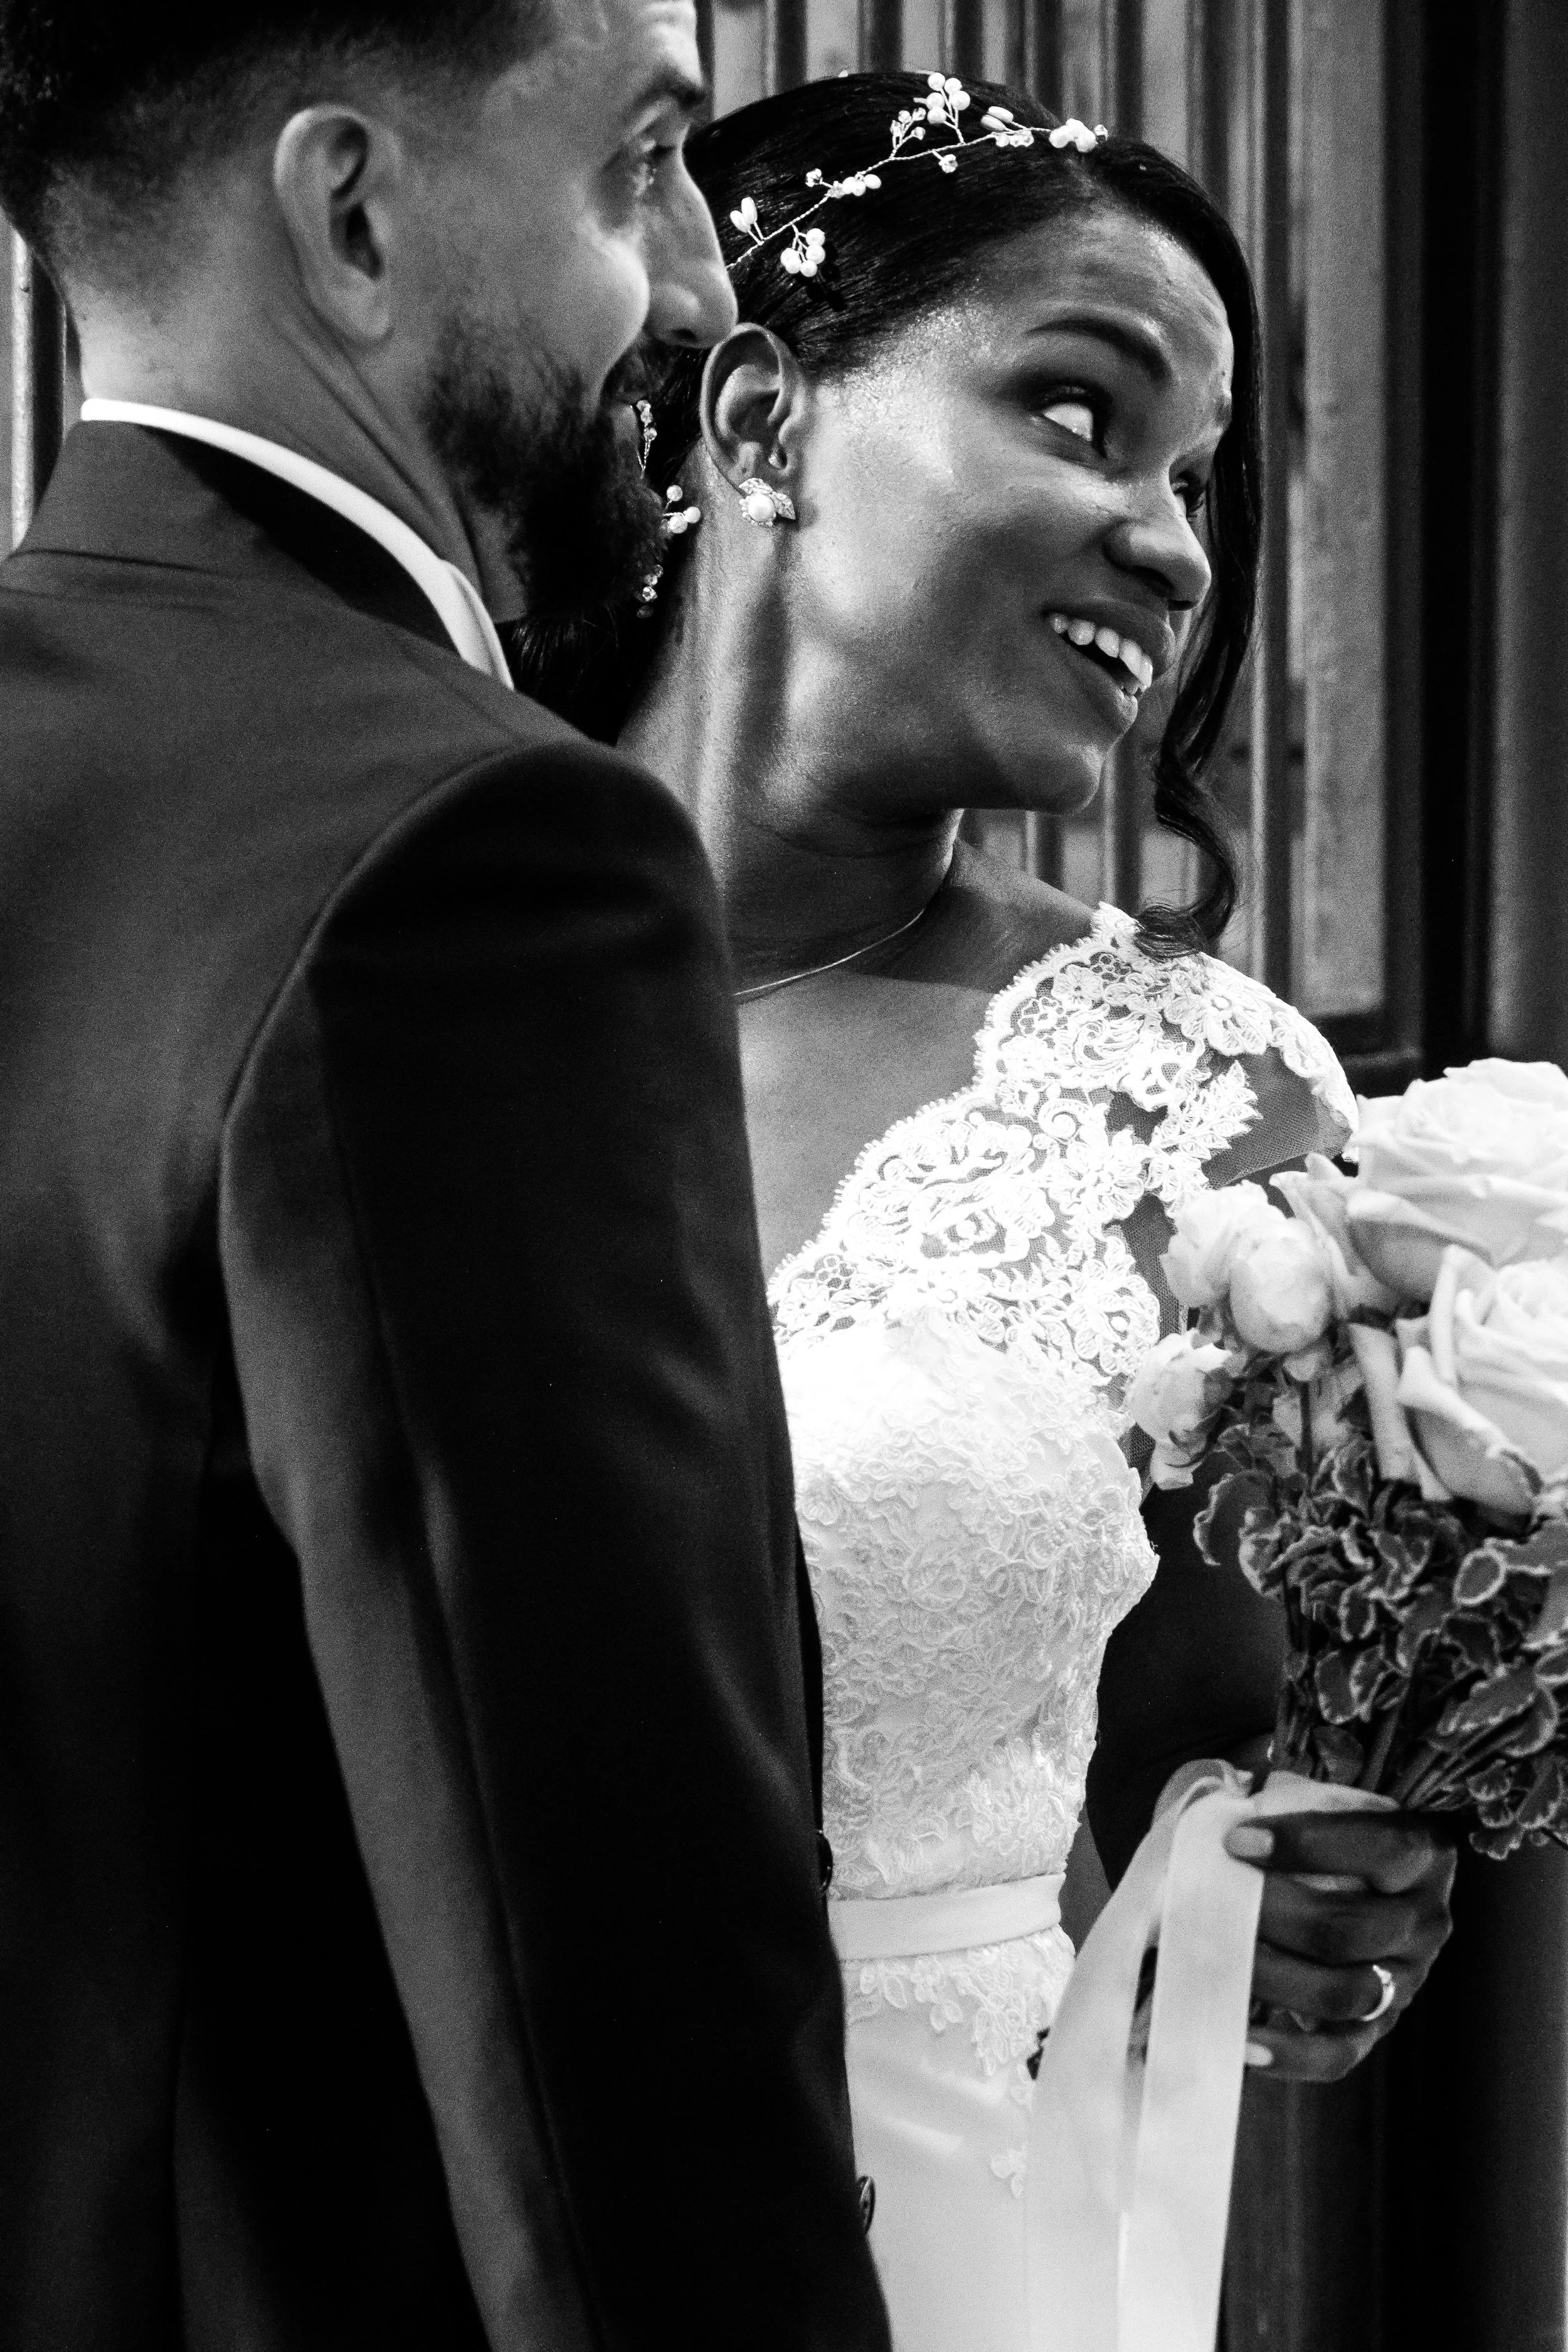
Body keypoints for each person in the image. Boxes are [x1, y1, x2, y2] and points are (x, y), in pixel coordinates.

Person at [530, 72, 1457, 2349]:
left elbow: (1210, 1779)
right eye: (1076, 412)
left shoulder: (1192, 1097)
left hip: (933, 2253)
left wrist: (1307, 1899)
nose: (1170, 545)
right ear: (759, 418)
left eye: (1193, 480)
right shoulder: (366, 968)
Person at [0, 9, 893, 2348]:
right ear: (354, 216)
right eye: (640, 170)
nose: (701, 281)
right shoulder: (478, 859)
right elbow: (604, 1986)